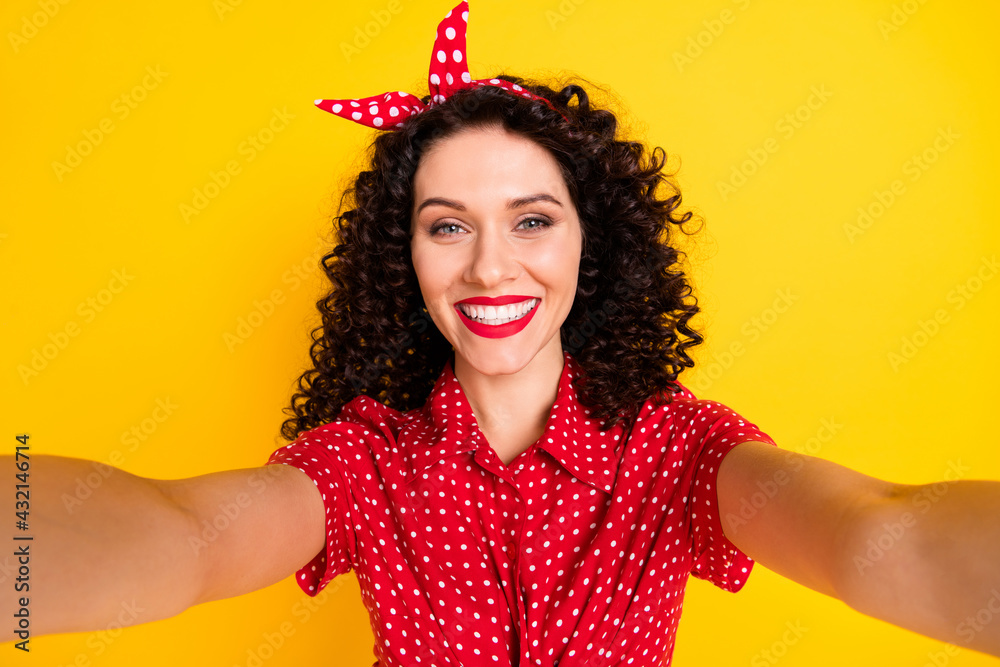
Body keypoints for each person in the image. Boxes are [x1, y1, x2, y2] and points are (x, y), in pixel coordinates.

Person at [4, 2, 999, 665]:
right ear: (407, 258)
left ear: (589, 243)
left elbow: (872, 536)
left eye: (530, 219)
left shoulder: (680, 451)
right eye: (448, 225)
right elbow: (183, 540)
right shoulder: (363, 464)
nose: (488, 266)